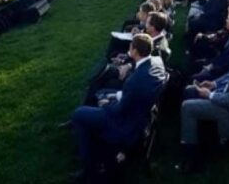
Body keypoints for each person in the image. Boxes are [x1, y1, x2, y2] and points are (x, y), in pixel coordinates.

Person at [70, 34, 166, 182]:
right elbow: (131, 95)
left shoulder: (135, 81)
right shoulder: (157, 61)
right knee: (101, 92)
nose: (129, 48)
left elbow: (118, 110)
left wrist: (106, 104)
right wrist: (115, 95)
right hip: (140, 113)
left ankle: (90, 169)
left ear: (135, 51)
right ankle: (95, 148)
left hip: (126, 125)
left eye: (131, 46)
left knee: (79, 114)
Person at [176, 24, 229, 174]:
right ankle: (192, 131)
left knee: (187, 107)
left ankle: (191, 157)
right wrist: (214, 84)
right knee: (190, 90)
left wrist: (210, 95)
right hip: (224, 94)